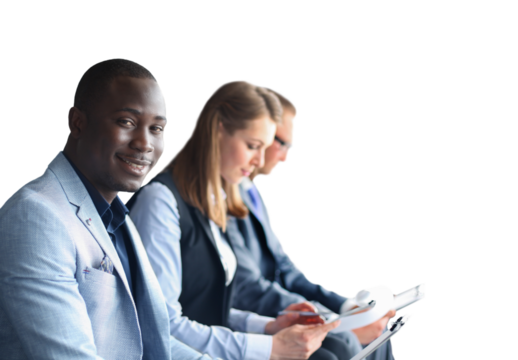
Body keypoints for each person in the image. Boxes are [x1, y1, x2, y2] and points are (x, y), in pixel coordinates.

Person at [0, 58, 210, 360]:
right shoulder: (36, 214)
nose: (144, 143)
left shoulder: (116, 214)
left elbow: (149, 340)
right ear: (77, 122)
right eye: (127, 122)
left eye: (157, 128)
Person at [126, 79, 349, 360]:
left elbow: (206, 308)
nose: (259, 160)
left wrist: (269, 325)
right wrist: (267, 347)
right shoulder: (160, 202)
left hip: (211, 344)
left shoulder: (212, 201)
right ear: (218, 130)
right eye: (253, 146)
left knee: (334, 350)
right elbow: (164, 326)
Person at [231, 88, 398, 360]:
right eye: (280, 143)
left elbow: (284, 266)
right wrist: (321, 316)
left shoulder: (253, 193)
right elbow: (245, 285)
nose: (285, 157)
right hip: (261, 314)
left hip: (285, 307)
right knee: (342, 346)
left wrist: (344, 307)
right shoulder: (219, 196)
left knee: (381, 335)